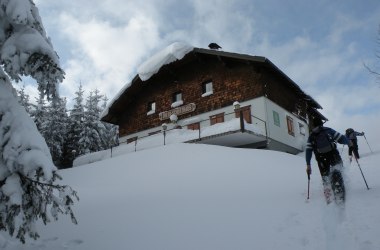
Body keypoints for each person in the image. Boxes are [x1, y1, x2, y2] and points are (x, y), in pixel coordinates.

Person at [305, 117, 349, 204]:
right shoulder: (328, 130)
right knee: (337, 169)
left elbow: (308, 150)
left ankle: (328, 194)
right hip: (333, 154)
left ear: (313, 125)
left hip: (321, 158)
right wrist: (349, 142)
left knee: (325, 176)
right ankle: (339, 189)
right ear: (322, 124)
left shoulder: (311, 136)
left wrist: (308, 164)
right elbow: (341, 138)